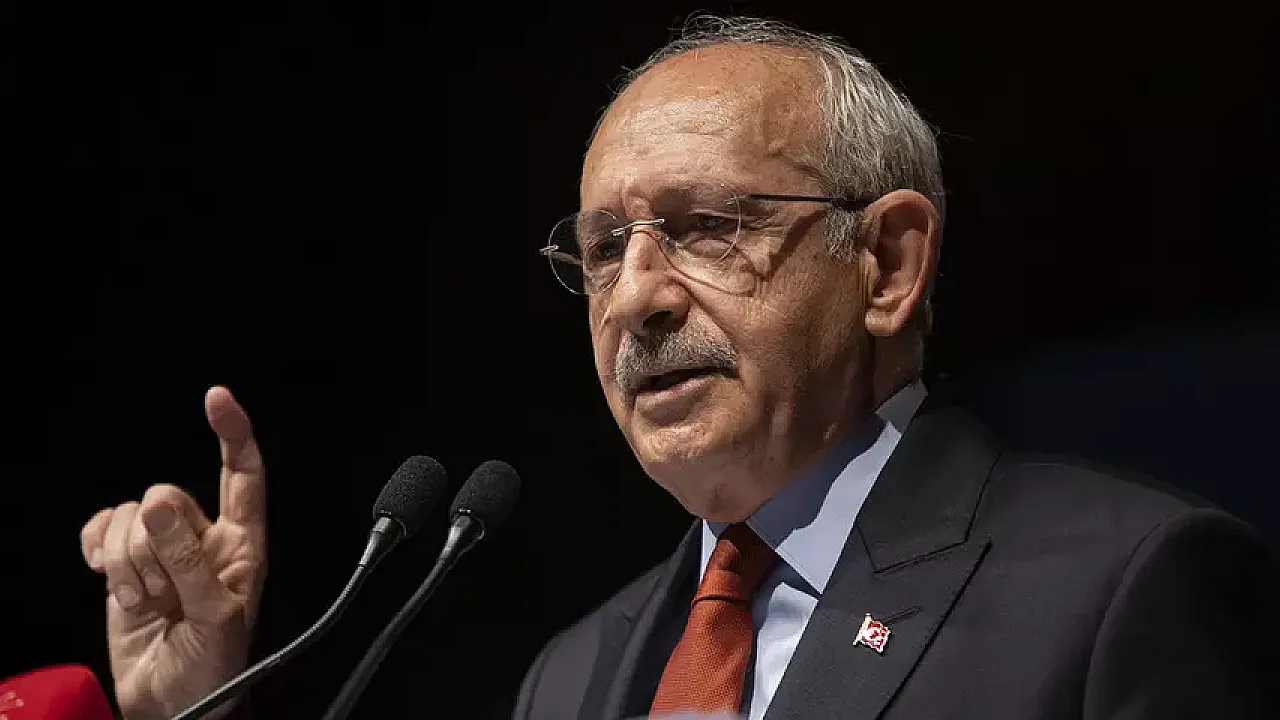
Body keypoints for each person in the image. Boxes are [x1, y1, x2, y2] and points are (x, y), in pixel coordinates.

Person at [79, 15, 1279, 720]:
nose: (637, 299)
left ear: (886, 264)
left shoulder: (1120, 590)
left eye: (706, 228)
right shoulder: (572, 677)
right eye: (603, 249)